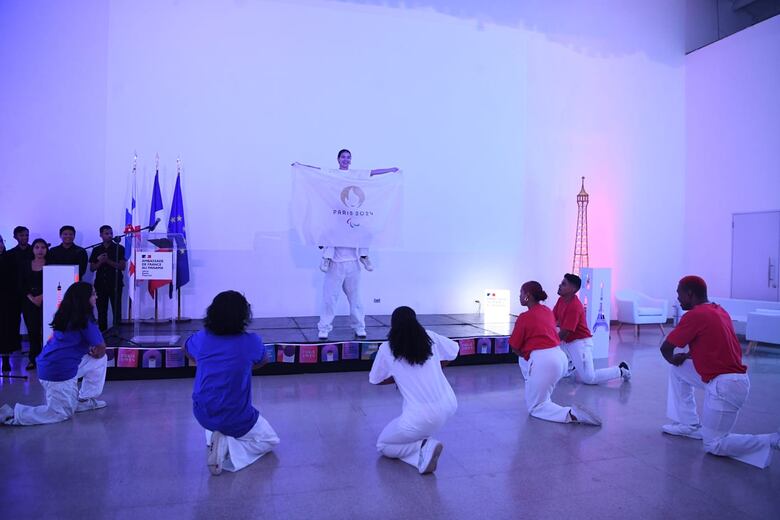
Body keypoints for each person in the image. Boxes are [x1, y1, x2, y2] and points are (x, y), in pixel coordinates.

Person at [660, 275, 780, 468]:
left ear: (690, 294)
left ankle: (773, 440)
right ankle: (690, 425)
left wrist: (673, 358)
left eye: (679, 294)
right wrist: (685, 357)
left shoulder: (694, 315)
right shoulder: (718, 310)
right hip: (730, 380)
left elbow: (665, 348)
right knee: (678, 370)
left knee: (714, 444)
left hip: (726, 386)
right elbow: (714, 342)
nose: (678, 299)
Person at [293, 149, 399, 340]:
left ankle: (359, 326)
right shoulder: (333, 177)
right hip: (335, 263)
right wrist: (302, 167)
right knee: (329, 299)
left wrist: (390, 170)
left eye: (348, 157)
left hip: (353, 263)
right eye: (343, 157)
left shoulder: (355, 177)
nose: (346, 160)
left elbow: (372, 173)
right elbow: (317, 171)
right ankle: (324, 328)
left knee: (356, 299)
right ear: (338, 159)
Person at [184, 291, 279, 476]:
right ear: (244, 316)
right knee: (270, 440)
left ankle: (215, 437)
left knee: (214, 415)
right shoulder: (252, 342)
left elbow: (185, 349)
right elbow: (263, 361)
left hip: (202, 414)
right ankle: (228, 449)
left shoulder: (201, 338)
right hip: (237, 417)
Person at [0, 282, 108, 426]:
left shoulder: (68, 313)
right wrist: (95, 350)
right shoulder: (84, 320)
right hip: (58, 371)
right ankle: (12, 415)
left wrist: (90, 351)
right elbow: (101, 348)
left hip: (53, 364)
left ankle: (83, 400)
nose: (97, 297)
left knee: (98, 361)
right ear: (84, 298)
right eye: (93, 294)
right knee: (60, 413)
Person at [368, 306, 459, 474]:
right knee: (417, 429)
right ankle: (423, 447)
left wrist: (399, 376)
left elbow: (375, 380)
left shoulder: (387, 348)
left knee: (383, 445)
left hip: (422, 417)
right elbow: (454, 350)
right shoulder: (430, 337)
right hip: (449, 404)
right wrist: (437, 368)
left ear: (392, 325)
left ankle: (422, 447)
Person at [509, 281, 601, 426]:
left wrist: (528, 355)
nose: (518, 296)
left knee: (536, 407)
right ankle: (537, 385)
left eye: (521, 293)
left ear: (527, 295)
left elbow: (514, 346)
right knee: (539, 391)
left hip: (544, 361)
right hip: (560, 357)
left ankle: (572, 414)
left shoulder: (524, 317)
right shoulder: (546, 311)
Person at [554, 273, 631, 385]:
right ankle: (572, 367)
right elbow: (552, 319)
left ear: (572, 289)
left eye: (563, 284)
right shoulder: (561, 301)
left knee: (589, 378)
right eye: (561, 283)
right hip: (568, 342)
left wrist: (546, 342)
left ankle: (621, 370)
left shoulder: (574, 307)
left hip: (580, 343)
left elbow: (565, 332)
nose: (559, 285)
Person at [89, 225, 126, 331]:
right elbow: (92, 268)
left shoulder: (119, 248)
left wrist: (107, 261)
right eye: (106, 233)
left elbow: (122, 267)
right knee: (101, 311)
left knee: (116, 310)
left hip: (115, 283)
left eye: (111, 233)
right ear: (101, 235)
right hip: (100, 284)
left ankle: (118, 334)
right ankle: (103, 336)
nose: (109, 235)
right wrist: (100, 261)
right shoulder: (96, 249)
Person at [20, 238, 48, 369]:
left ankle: (47, 358)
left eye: (43, 247)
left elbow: (54, 282)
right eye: (37, 247)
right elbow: (21, 283)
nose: (40, 250)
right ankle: (33, 359)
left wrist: (42, 297)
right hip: (29, 302)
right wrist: (32, 298)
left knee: (48, 331)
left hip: (48, 301)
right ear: (33, 250)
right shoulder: (25, 264)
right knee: (33, 331)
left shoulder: (51, 264)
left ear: (47, 249)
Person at [6, 226, 32, 363]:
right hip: (14, 293)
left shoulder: (34, 251)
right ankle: (16, 345)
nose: (25, 238)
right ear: (16, 237)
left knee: (32, 321)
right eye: (22, 235)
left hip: (30, 292)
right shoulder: (10, 254)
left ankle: (34, 347)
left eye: (27, 235)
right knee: (13, 320)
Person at [0, 234, 20, 372]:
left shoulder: (10, 258)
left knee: (6, 328)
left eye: (0, 242)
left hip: (8, 299)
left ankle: (6, 359)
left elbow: (16, 279)